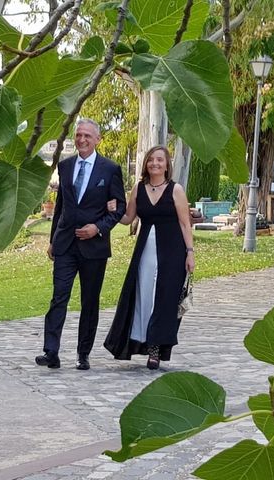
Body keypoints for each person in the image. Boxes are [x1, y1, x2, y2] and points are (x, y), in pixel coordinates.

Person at [35, 119, 126, 370]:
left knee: (90, 301)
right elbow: (61, 206)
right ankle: (51, 352)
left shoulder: (110, 169)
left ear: (97, 139)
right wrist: (53, 240)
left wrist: (97, 228)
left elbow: (119, 209)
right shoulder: (64, 166)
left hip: (94, 248)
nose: (82, 139)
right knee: (58, 298)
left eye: (87, 135)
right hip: (65, 245)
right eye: (78, 135)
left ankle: (83, 353)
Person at [104, 145, 195, 369]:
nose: (155, 163)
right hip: (145, 250)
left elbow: (185, 224)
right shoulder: (138, 188)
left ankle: (156, 349)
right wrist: (112, 210)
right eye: (151, 160)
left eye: (160, 160)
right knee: (144, 295)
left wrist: (190, 253)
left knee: (164, 298)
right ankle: (140, 341)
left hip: (172, 251)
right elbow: (128, 218)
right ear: (146, 163)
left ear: (167, 164)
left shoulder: (176, 190)